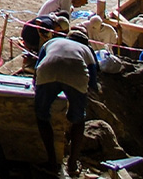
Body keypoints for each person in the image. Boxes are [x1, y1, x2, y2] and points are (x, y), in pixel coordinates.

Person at [34, 29, 99, 177]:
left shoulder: (52, 42)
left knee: (41, 115)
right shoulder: (87, 50)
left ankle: (52, 161)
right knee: (78, 120)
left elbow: (37, 68)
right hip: (77, 73)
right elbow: (93, 83)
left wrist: (40, 89)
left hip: (48, 69)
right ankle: (72, 164)